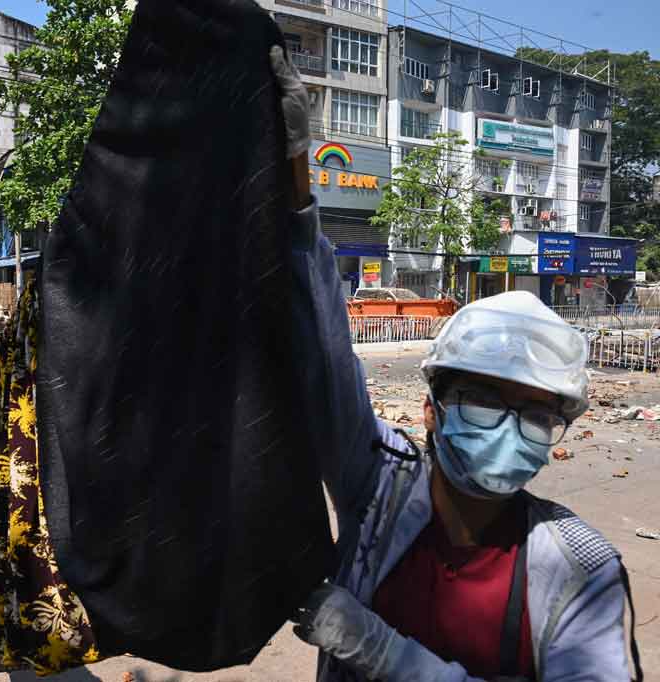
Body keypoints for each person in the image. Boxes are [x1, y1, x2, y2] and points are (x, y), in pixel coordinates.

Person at [264, 48, 641, 681]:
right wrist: (294, 182)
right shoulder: (378, 491)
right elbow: (322, 355)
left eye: (535, 414)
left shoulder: (582, 568)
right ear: (429, 409)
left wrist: (386, 656)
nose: (509, 429)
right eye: (487, 401)